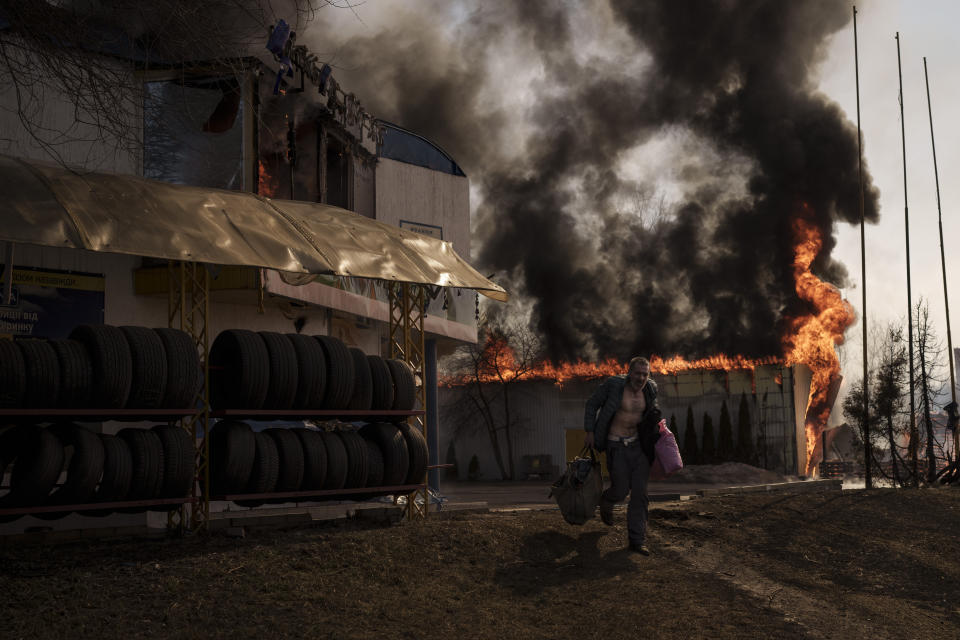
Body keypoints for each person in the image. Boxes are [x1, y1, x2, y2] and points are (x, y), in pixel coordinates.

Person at [583, 356, 661, 555]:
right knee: (620, 490)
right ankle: (607, 501)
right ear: (629, 373)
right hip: (615, 445)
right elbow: (592, 404)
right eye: (637, 373)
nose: (641, 377)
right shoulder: (614, 385)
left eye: (645, 374)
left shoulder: (651, 389)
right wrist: (590, 431)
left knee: (640, 494)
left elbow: (652, 414)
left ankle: (637, 540)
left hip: (638, 447)